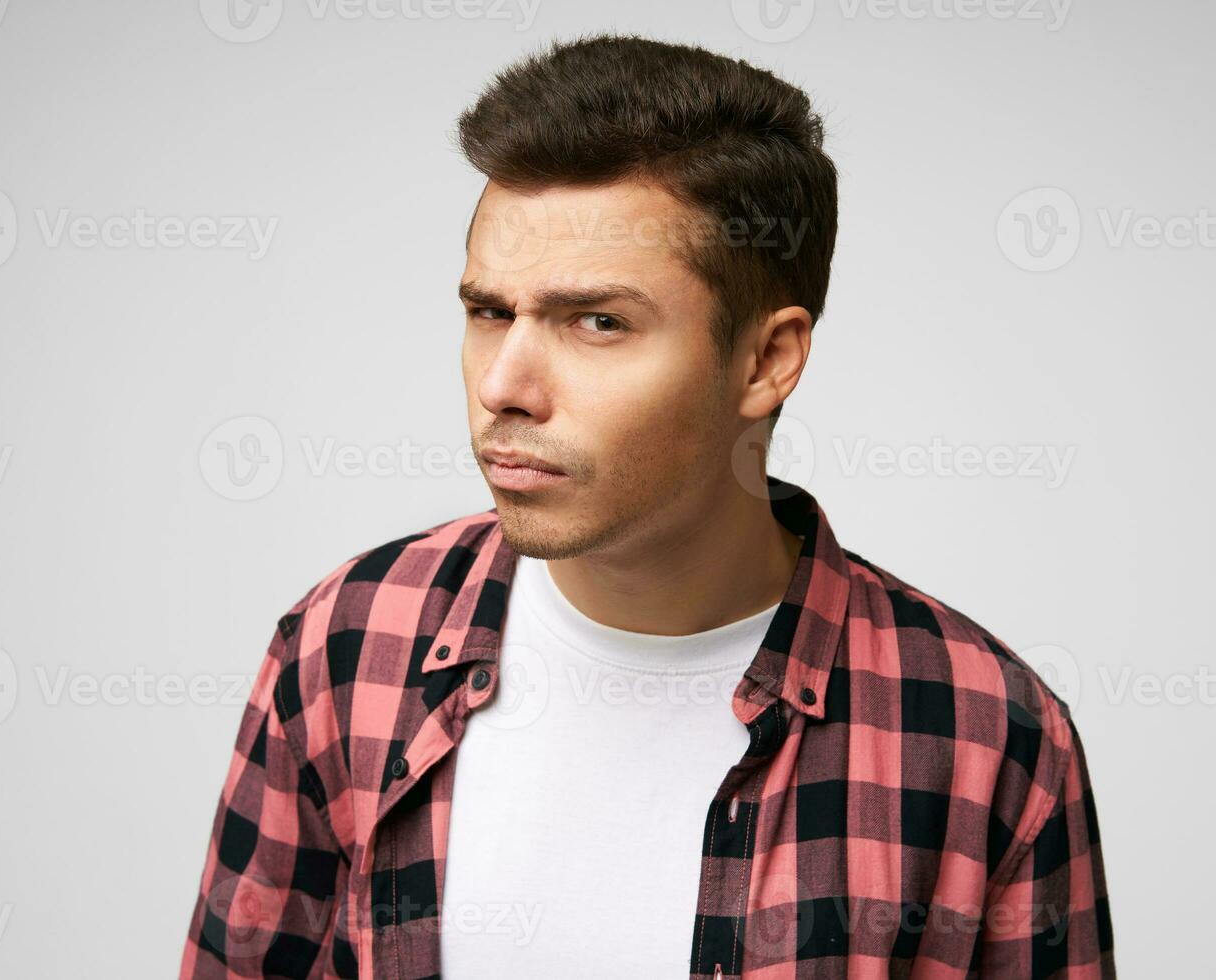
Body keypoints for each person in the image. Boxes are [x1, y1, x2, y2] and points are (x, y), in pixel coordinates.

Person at [179, 33, 1113, 979]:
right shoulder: (347, 643)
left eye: (597, 323)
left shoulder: (986, 734)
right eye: (491, 312)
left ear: (766, 359)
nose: (505, 384)